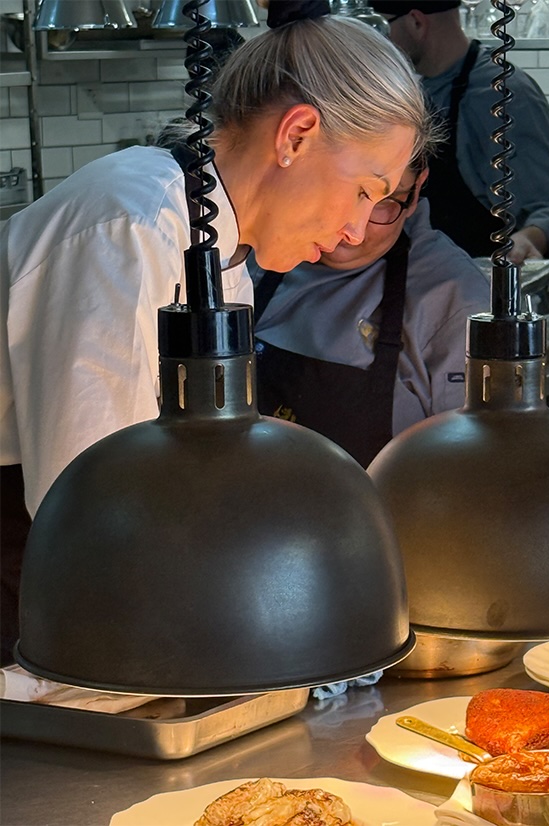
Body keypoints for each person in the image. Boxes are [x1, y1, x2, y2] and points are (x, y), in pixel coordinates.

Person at [0, 12, 431, 663]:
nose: (355, 229)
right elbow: (87, 505)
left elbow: (194, 479)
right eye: (366, 190)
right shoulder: (131, 224)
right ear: (297, 134)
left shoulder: (226, 253)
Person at [247, 153, 491, 466]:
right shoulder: (259, 257)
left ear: (416, 190)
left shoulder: (454, 301)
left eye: (382, 201)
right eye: (335, 191)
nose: (353, 227)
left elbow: (474, 467)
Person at [371, 0, 549, 263]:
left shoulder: (503, 94)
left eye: (382, 28)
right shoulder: (405, 92)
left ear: (416, 22)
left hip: (481, 286)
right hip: (413, 281)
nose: (381, 42)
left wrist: (529, 238)